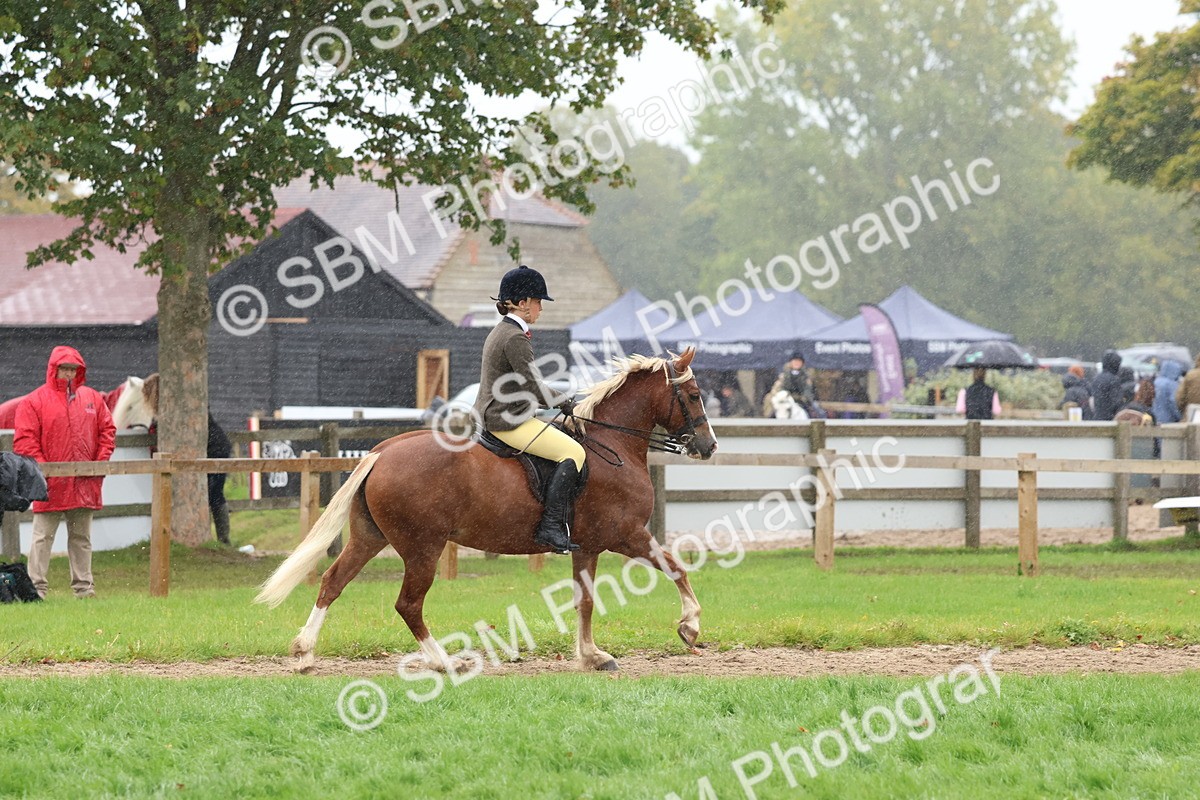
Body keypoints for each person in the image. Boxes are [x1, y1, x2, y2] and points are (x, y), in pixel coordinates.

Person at [474, 265, 583, 554]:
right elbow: (535, 386)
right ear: (522, 303)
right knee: (575, 452)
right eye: (538, 302)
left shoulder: (503, 331)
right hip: (507, 421)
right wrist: (565, 401)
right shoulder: (514, 338)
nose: (540, 309)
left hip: (499, 413)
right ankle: (550, 527)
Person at [14, 346, 115, 599]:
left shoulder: (92, 398)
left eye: (73, 369)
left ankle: (84, 589)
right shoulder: (34, 401)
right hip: (49, 486)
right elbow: (25, 441)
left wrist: (98, 465)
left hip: (84, 484)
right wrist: (44, 472)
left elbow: (107, 432)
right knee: (42, 537)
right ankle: (36, 590)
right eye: (64, 368)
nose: (69, 374)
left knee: (81, 537)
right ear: (53, 370)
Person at [1091, 350, 1124, 421]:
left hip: (1098, 418)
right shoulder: (1114, 380)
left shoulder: (1096, 378)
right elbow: (1117, 402)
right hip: (1110, 420)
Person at [1153, 360, 1184, 425]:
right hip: (1168, 419)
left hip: (1155, 418)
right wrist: (1180, 417)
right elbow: (1173, 402)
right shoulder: (1172, 385)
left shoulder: (1156, 381)